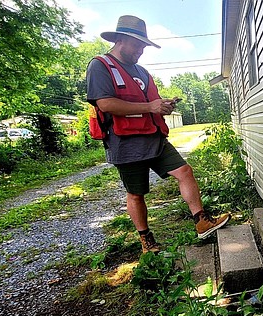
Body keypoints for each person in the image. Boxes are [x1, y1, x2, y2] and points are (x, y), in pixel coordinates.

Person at [86, 15, 230, 253]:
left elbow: (151, 103)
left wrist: (162, 106)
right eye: (139, 44)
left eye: (144, 45)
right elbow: (106, 104)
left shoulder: (141, 72)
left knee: (184, 171)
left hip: (153, 136)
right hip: (125, 142)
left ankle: (201, 221)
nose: (142, 50)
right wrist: (149, 107)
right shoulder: (100, 66)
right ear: (121, 39)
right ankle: (146, 241)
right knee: (136, 193)